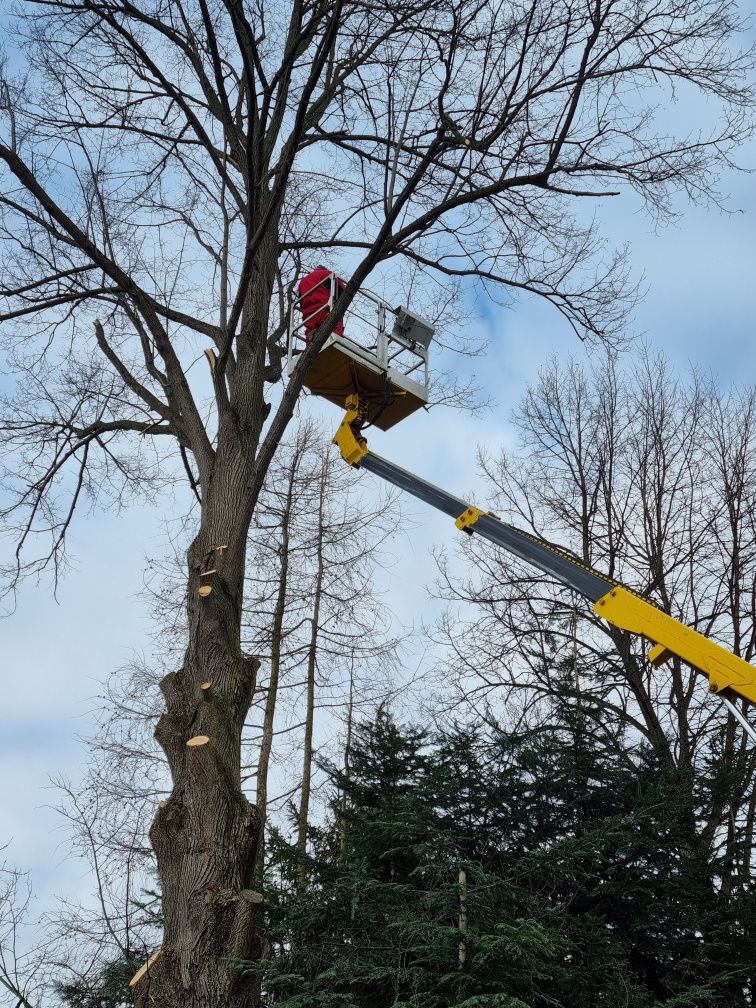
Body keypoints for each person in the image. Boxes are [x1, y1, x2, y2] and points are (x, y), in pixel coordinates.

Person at [298, 266, 346, 342]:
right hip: (324, 308)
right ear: (324, 269)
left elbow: (301, 301)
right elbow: (344, 291)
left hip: (309, 315)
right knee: (333, 329)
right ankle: (334, 342)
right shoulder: (327, 274)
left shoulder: (302, 282)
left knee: (311, 336)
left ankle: (311, 348)